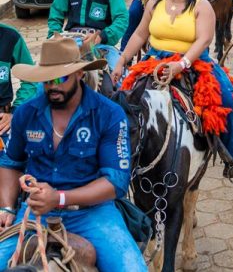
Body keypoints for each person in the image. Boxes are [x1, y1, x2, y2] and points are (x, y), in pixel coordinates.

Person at [0, 38, 146, 272]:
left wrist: (58, 198)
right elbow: (10, 163)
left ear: (79, 74)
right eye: (47, 81)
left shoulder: (109, 114)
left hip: (93, 213)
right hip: (34, 212)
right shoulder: (26, 114)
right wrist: (6, 208)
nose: (53, 87)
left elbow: (115, 182)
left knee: (132, 268)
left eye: (61, 78)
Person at [112, 0, 233, 182]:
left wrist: (181, 64)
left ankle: (232, 159)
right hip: (155, 60)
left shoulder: (201, 6)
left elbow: (204, 40)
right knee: (124, 98)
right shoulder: (155, 2)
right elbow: (139, 34)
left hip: (193, 61)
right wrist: (122, 59)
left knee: (224, 97)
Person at [0, 24, 37, 147]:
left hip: (2, 122)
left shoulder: (10, 36)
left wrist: (15, 113)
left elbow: (31, 80)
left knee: (13, 161)